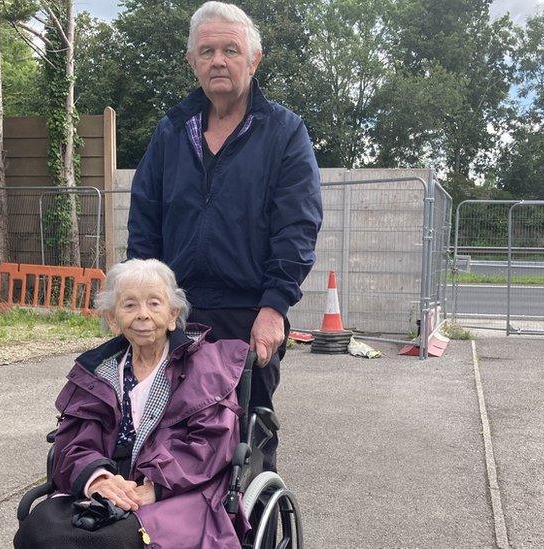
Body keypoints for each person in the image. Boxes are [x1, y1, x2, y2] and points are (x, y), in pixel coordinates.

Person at [126, 1, 323, 472]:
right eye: (207, 50)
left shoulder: (283, 133)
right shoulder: (171, 132)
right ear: (192, 61)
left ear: (253, 60)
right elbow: (144, 222)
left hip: (247, 316)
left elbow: (297, 226)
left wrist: (274, 307)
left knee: (243, 446)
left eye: (231, 50)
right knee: (166, 439)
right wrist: (140, 304)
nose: (219, 60)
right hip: (175, 313)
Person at [14, 259, 250, 549]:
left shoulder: (206, 368)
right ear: (113, 318)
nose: (143, 315)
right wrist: (97, 480)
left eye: (154, 303)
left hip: (178, 491)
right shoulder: (97, 371)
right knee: (38, 529)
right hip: (104, 486)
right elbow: (73, 442)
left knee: (114, 541)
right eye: (129, 305)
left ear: (173, 314)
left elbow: (213, 442)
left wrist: (152, 487)